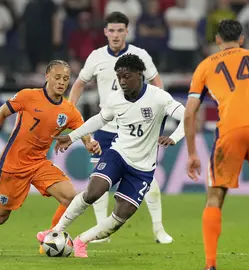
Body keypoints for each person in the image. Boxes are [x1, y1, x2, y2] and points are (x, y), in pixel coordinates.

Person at [37, 54, 185, 257]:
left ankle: (82, 241)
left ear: (139, 75)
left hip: (142, 168)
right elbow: (100, 119)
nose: (122, 81)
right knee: (93, 192)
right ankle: (55, 231)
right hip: (118, 154)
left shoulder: (158, 97)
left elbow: (187, 115)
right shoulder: (115, 98)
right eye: (119, 77)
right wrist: (72, 137)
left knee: (121, 216)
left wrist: (175, 138)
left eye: (127, 76)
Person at [0, 60, 101, 251]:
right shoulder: (28, 96)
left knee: (70, 197)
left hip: (39, 164)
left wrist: (90, 144)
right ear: (47, 77)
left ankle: (50, 236)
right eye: (57, 77)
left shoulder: (68, 110)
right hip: (13, 165)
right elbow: (0, 113)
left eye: (65, 78)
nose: (62, 82)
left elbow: (83, 130)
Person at [184, 19, 249, 270]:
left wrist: (192, 153)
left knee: (215, 196)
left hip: (230, 131)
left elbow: (190, 113)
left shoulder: (205, 66)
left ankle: (210, 264)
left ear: (217, 40)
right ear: (242, 38)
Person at [68, 11, 172, 244]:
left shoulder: (140, 55)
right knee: (98, 181)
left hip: (135, 127)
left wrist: (157, 117)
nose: (115, 35)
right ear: (105, 32)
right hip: (105, 127)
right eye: (111, 30)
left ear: (127, 31)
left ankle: (158, 229)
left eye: (120, 30)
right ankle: (100, 233)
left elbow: (157, 84)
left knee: (147, 179)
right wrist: (69, 112)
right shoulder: (96, 57)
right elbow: (78, 85)